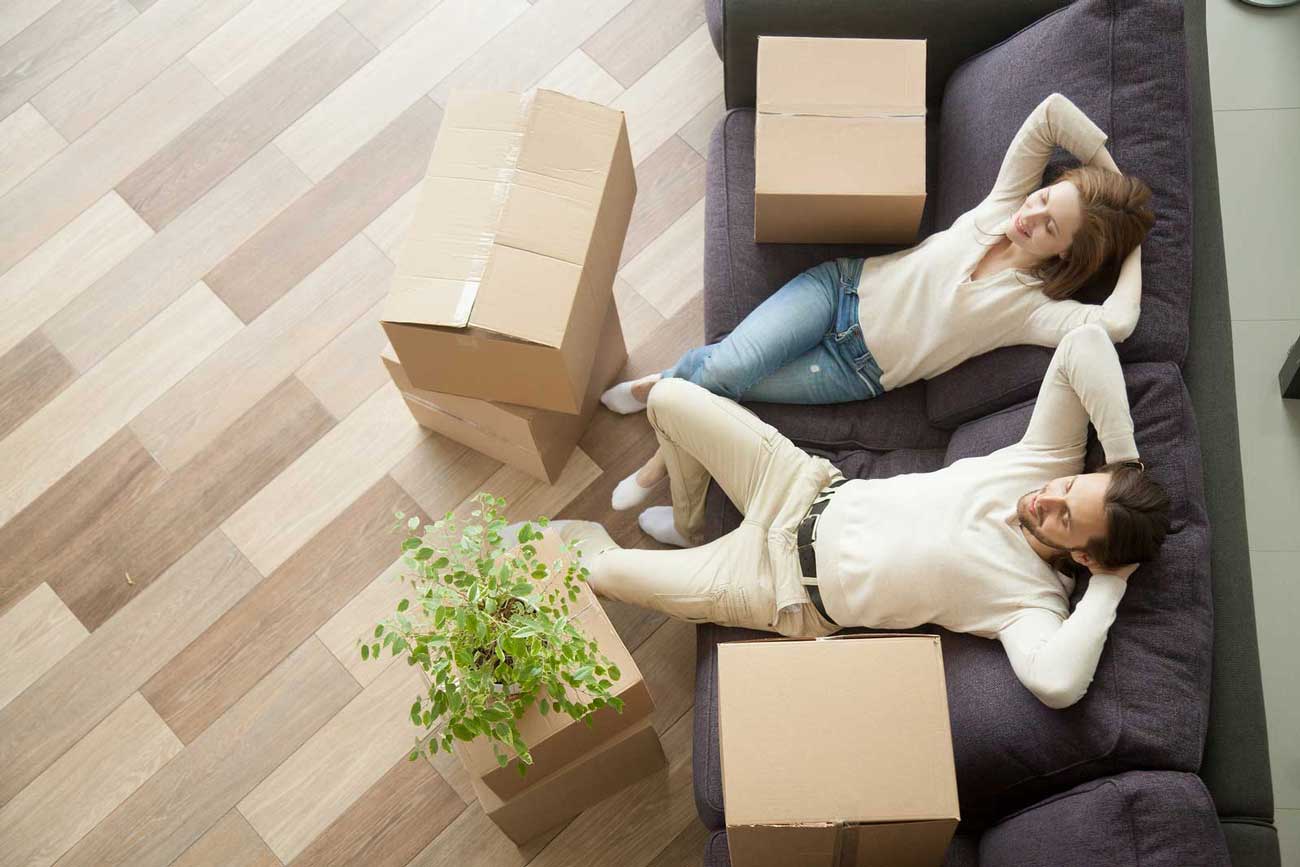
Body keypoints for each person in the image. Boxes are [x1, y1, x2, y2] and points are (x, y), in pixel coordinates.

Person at [601, 92, 1154, 533]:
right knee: (723, 372)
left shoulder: (1032, 311)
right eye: (1042, 201)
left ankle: (661, 404)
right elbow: (1052, 114)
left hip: (853, 372)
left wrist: (1129, 247)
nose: (1031, 217)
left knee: (725, 384)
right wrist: (1108, 182)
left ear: (1066, 253)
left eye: (1050, 226)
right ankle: (661, 454)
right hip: (836, 290)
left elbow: (1117, 323)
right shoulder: (1003, 205)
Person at [553, 323, 1171, 709]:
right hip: (798, 485)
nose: (1046, 498)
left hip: (780, 590)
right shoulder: (1044, 461)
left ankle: (647, 546)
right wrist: (1124, 462)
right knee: (666, 396)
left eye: (1065, 518)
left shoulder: (1032, 606)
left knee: (599, 571)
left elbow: (1059, 685)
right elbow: (1084, 343)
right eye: (1070, 486)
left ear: (1084, 556)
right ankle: (689, 525)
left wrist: (1112, 583)